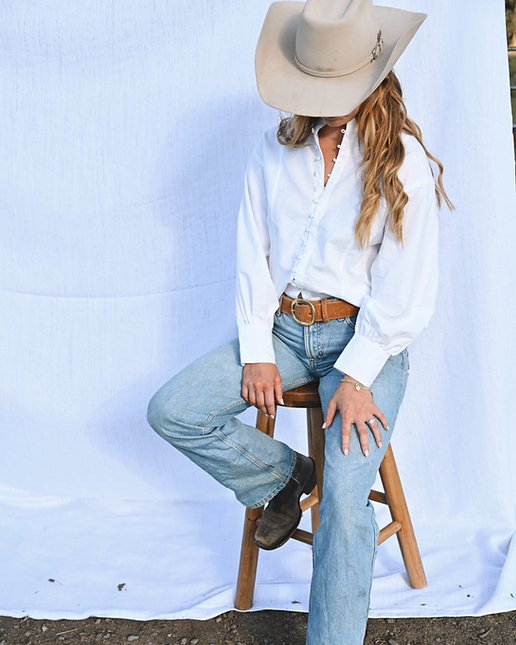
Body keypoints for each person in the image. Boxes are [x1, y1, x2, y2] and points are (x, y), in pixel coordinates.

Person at [147, 0, 452, 643]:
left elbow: (408, 290)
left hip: (365, 341)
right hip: (285, 331)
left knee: (344, 500)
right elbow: (252, 250)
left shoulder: (402, 163)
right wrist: (257, 346)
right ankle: (285, 473)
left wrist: (359, 374)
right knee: (173, 409)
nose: (321, 99)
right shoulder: (275, 149)